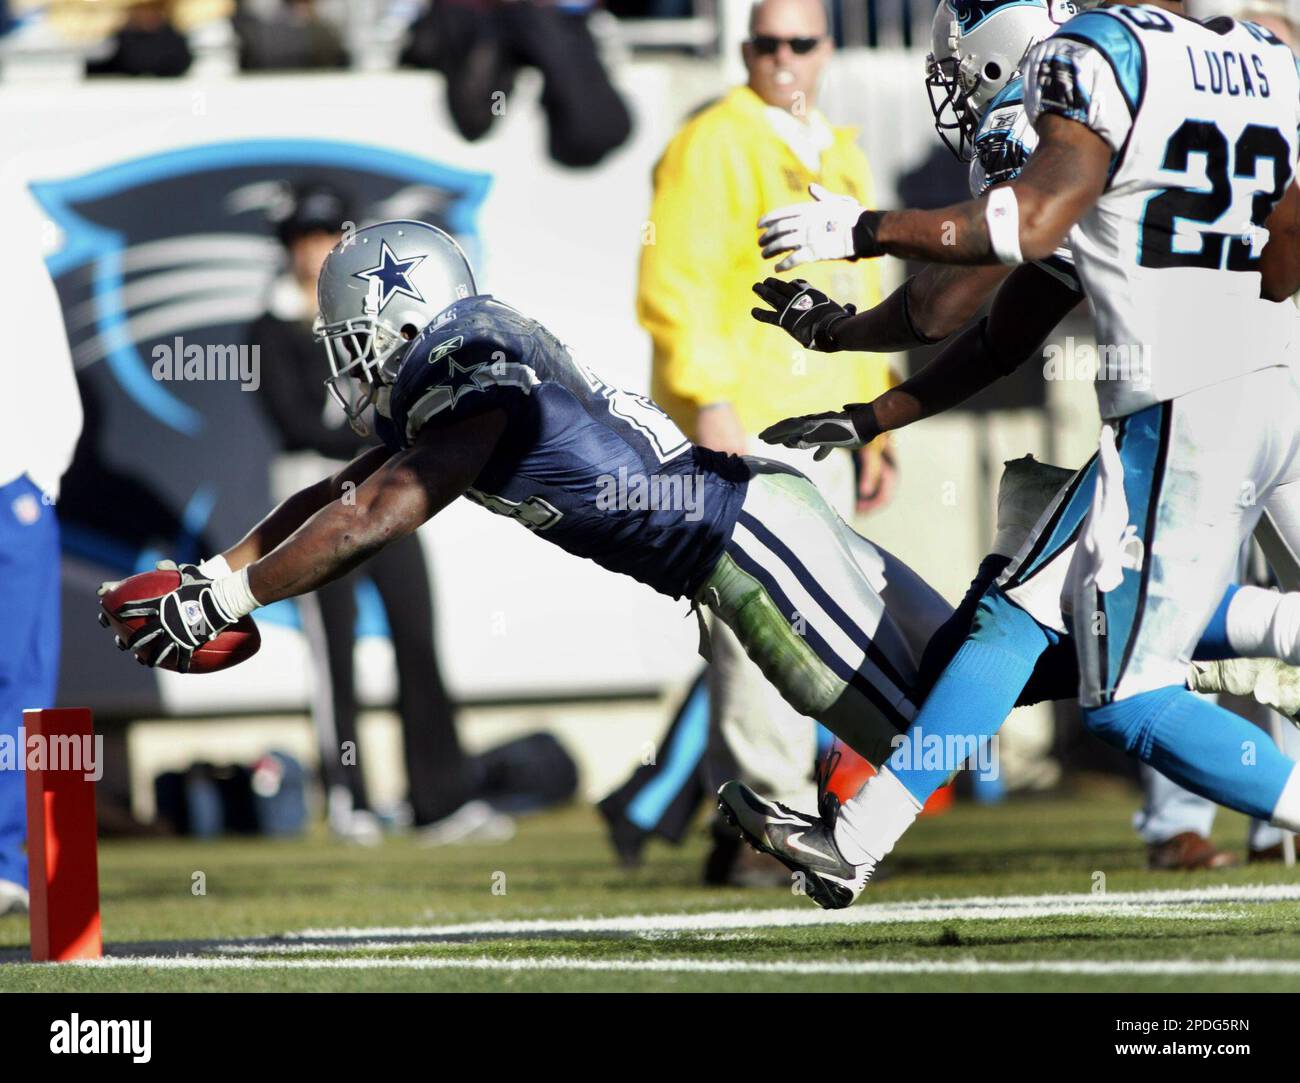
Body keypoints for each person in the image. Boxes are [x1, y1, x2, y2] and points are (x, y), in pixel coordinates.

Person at [98, 220, 1300, 895]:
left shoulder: (467, 388)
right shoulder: (472, 357)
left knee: (958, 719)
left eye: (355, 336)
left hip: (748, 557)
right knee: (1024, 658)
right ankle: (1262, 625)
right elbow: (343, 487)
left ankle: (1252, 650)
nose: (346, 360)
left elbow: (382, 507)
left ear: (401, 322)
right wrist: (218, 580)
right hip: (759, 523)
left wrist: (234, 591)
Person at [721, 0, 1300, 907]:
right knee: (1021, 610)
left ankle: (856, 839)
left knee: (1125, 692)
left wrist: (865, 229)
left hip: (1190, 402)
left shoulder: (1095, 62)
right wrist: (872, 410)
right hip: (1276, 378)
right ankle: (854, 841)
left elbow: (1001, 251)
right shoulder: (1259, 50)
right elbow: (1005, 325)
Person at [632, 0, 900, 881]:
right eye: (765, 41)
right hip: (748, 416)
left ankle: (758, 815)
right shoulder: (713, 140)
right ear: (744, 47)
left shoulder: (838, 145)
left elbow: (864, 293)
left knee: (829, 622)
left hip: (823, 420)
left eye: (800, 41)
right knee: (759, 621)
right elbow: (679, 280)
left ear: (828, 49)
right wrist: (707, 400)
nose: (781, 57)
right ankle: (760, 816)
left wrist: (879, 412)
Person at [249, 190, 509, 846]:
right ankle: (349, 797)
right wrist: (372, 429)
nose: (314, 253)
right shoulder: (270, 326)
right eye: (302, 239)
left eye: (325, 238)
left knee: (415, 634)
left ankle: (439, 798)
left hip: (384, 488)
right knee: (334, 650)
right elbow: (297, 423)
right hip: (318, 498)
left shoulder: (374, 315)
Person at [0, 190, 84, 915]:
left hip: (10, 486)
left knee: (22, 678)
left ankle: (7, 857)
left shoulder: (13, 242)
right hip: (16, 484)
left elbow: (44, 364)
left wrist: (37, 475)